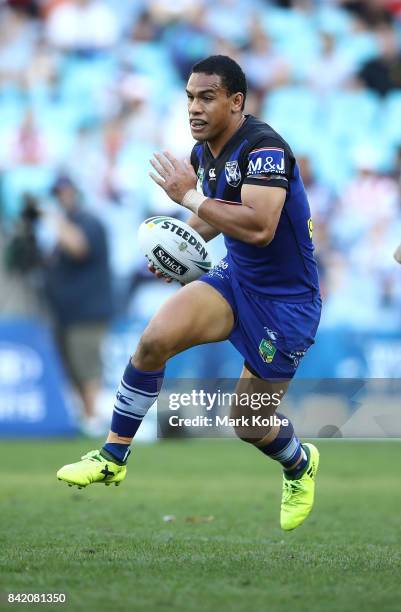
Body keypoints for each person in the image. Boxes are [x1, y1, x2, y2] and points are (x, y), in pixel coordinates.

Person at [57, 56, 322, 531]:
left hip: (286, 305)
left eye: (206, 97)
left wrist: (189, 199)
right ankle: (112, 455)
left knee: (248, 422)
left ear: (236, 101)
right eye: (189, 98)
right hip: (235, 281)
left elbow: (260, 227)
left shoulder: (266, 149)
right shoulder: (204, 153)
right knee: (154, 340)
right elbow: (212, 216)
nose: (193, 108)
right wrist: (180, 244)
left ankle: (299, 465)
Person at [43, 176, 114, 435]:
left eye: (64, 192)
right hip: (65, 312)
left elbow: (79, 248)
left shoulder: (88, 221)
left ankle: (93, 418)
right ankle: (85, 416)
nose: (61, 197)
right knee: (71, 367)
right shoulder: (63, 226)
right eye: (57, 193)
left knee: (87, 364)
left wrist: (53, 219)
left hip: (88, 311)